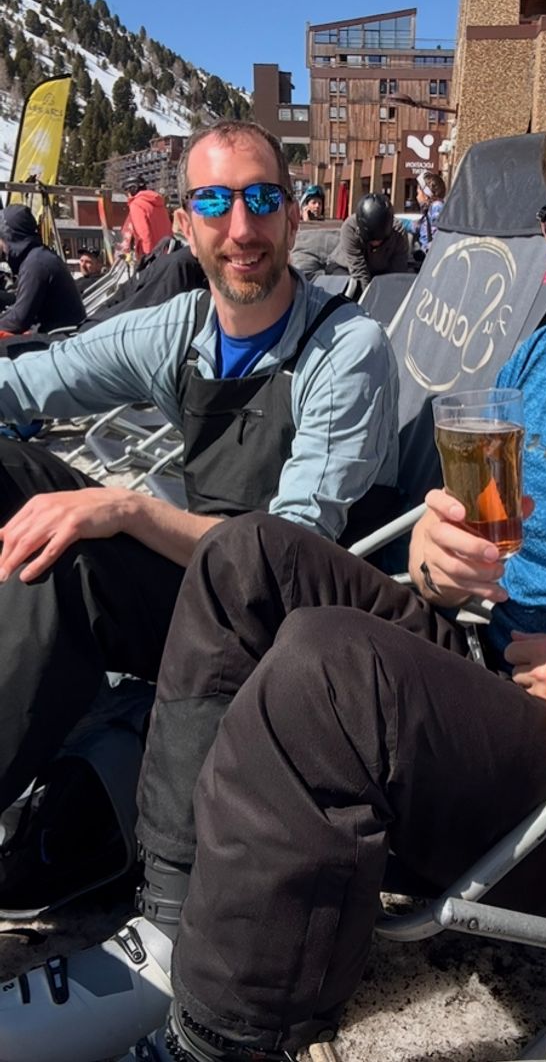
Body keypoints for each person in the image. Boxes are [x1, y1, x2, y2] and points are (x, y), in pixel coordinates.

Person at [0, 66, 546, 1062]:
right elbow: (453, 541)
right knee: (245, 555)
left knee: (332, 662)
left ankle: (215, 1039)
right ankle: (170, 927)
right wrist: (433, 551)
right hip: (486, 679)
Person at [0, 119, 398, 919]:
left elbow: (293, 551)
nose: (241, 229)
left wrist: (126, 511)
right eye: (215, 203)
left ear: (293, 214)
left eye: (261, 200)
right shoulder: (181, 331)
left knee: (74, 558)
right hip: (192, 582)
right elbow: (32, 382)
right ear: (185, 225)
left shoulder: (345, 348)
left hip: (285, 619)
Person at [0, 204, 85, 336]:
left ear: (9, 236)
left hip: (59, 340)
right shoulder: (38, 256)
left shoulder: (35, 264)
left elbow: (18, 321)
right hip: (57, 333)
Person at [332, 191, 411, 290]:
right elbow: (359, 272)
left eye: (380, 240)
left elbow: (398, 271)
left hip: (381, 271)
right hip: (347, 267)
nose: (376, 243)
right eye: (371, 240)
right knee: (349, 287)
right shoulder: (350, 228)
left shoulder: (398, 232)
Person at [119, 175, 173, 260]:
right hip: (167, 253)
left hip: (152, 256)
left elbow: (144, 233)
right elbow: (169, 229)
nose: (127, 196)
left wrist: (147, 258)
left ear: (133, 189)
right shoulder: (159, 204)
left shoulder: (137, 204)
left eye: (127, 192)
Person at [415, 170, 446, 253]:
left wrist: (427, 250)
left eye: (418, 193)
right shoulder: (428, 210)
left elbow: (438, 236)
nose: (417, 196)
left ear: (426, 195)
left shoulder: (437, 207)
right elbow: (418, 227)